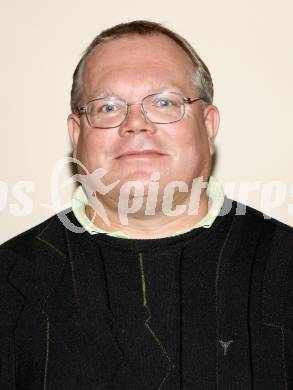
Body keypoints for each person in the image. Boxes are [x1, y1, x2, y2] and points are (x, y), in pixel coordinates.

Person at [0, 20, 293, 390]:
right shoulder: (10, 280)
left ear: (209, 124)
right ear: (77, 135)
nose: (135, 124)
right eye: (107, 107)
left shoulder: (286, 265)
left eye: (165, 102)